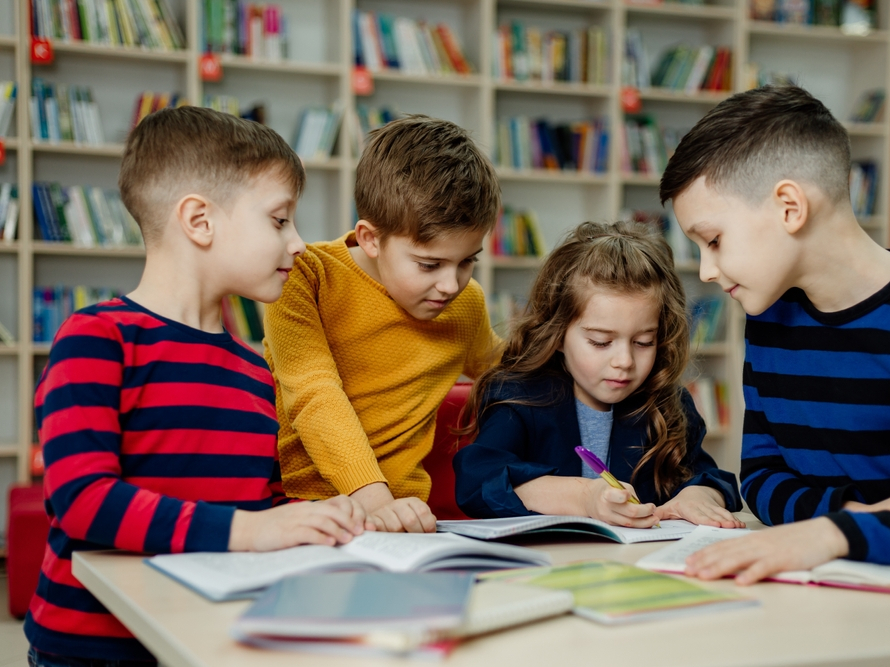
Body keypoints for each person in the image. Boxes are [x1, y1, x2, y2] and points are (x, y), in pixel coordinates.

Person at [25, 107, 369, 666]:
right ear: (199, 221)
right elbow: (81, 500)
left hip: (214, 637)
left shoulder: (257, 372)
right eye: (281, 220)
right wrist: (254, 531)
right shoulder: (96, 339)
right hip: (93, 649)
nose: (300, 244)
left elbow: (262, 507)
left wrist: (319, 523)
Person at [659, 84, 890, 584]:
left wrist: (830, 533)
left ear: (790, 208)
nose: (707, 271)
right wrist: (856, 514)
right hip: (818, 590)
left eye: (713, 240)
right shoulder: (769, 320)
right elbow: (760, 478)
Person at [264, 115, 502, 532]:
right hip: (304, 506)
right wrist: (375, 500)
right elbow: (313, 393)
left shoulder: (467, 304)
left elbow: (510, 373)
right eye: (430, 264)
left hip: (408, 519)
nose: (451, 284)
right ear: (371, 239)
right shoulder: (305, 276)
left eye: (467, 261)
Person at [453, 221, 743, 527]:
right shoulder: (518, 396)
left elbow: (713, 479)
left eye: (644, 342)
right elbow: (479, 481)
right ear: (558, 334)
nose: (624, 361)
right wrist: (585, 497)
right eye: (600, 342)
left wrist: (697, 497)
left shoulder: (668, 403)